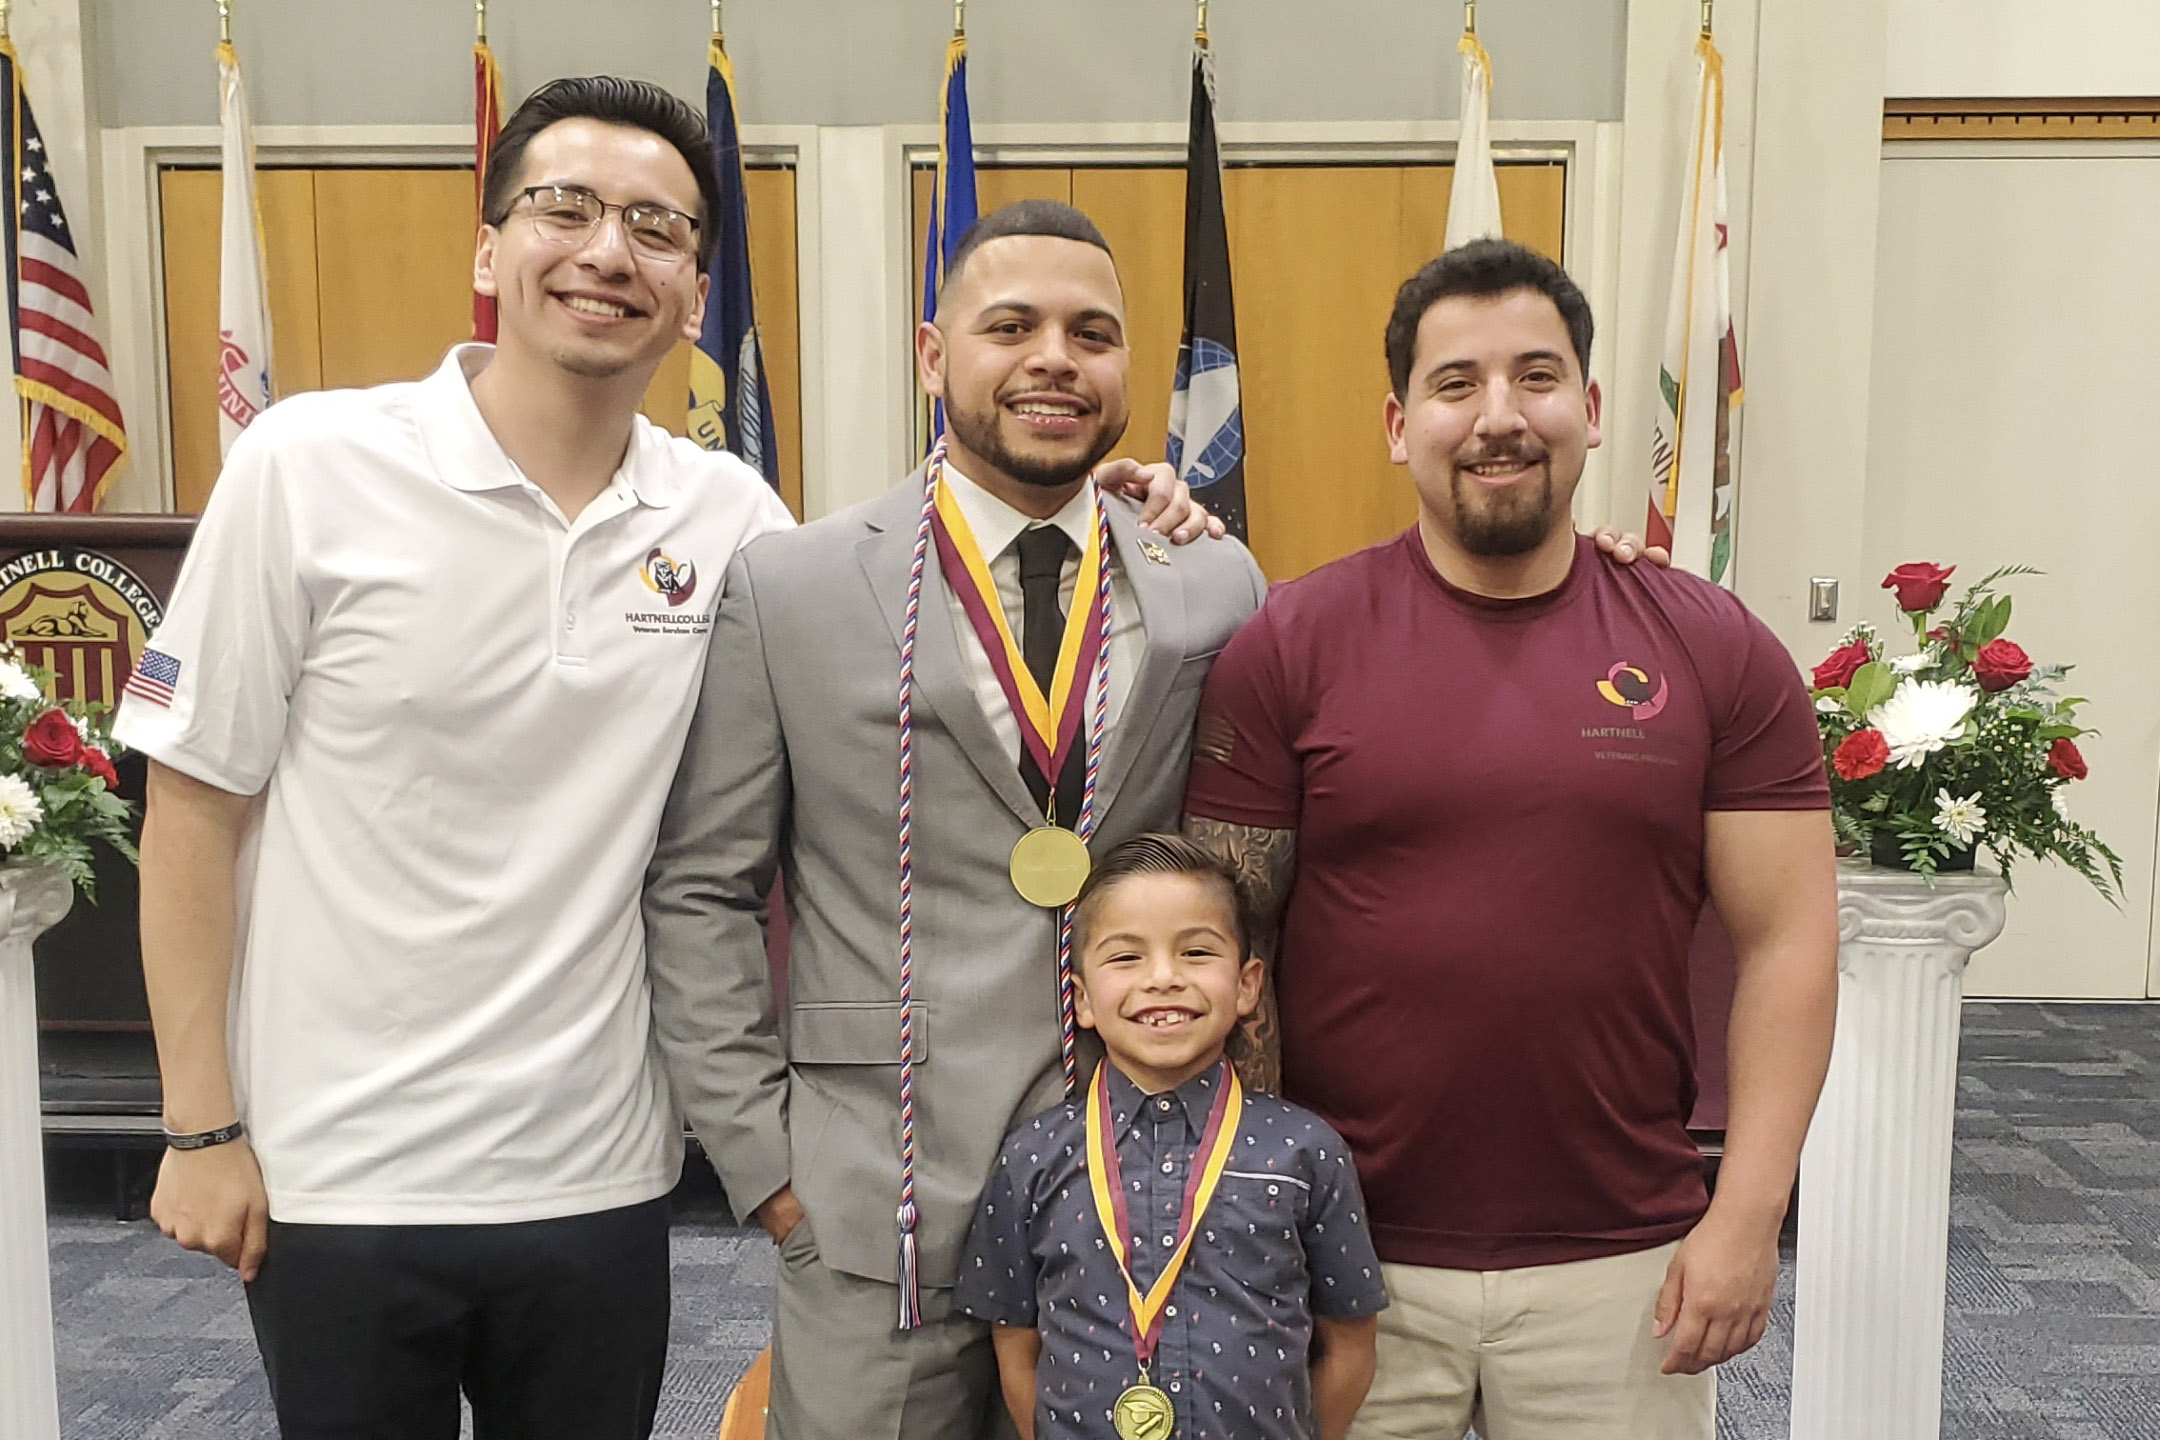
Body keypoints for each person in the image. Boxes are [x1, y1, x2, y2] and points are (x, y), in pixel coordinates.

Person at [116, 80, 1210, 1440]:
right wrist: (199, 1125)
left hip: (601, 1167)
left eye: (654, 226)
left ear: (697, 285)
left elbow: (926, 606)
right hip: (342, 1166)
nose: (607, 252)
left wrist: (1121, 503)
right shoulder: (309, 465)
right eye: (563, 210)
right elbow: (192, 803)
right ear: (487, 248)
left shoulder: (731, 517)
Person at [1181, 238, 1838, 1440]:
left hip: (1626, 1259)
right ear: (1397, 423)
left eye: (1536, 379)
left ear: (1590, 411)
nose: (1499, 418)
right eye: (1455, 385)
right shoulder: (1289, 646)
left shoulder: (1714, 647)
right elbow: (1228, 947)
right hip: (1346, 1250)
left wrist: (1746, 1214)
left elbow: (1791, 940)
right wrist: (1257, 1222)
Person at [641, 200, 1272, 1440]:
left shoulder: (1211, 578)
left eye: (1092, 333)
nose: (1055, 358)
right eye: (1012, 326)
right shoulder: (796, 585)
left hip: (1136, 1178)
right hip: (878, 1191)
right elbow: (702, 888)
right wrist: (767, 1168)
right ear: (936, 356)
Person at [956, 833, 1386, 1440]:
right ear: (1080, 998)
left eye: (1197, 953)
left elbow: (1350, 1348)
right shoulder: (1033, 1155)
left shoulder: (1305, 1152)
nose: (1163, 978)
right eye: (1126, 957)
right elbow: (1015, 1347)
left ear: (1246, 985)